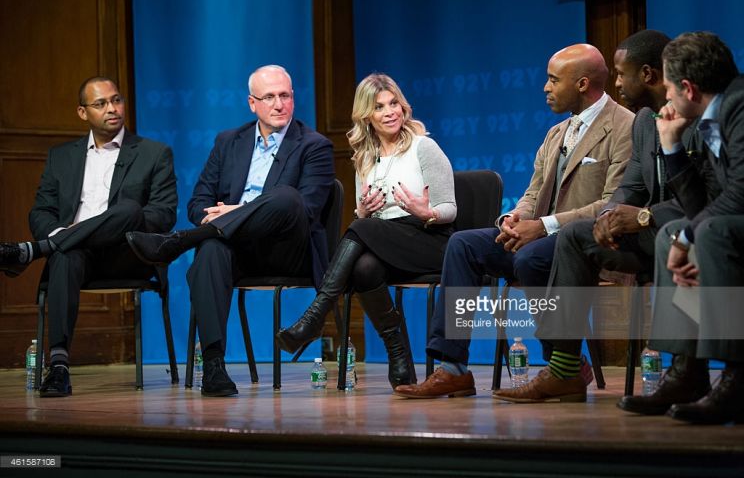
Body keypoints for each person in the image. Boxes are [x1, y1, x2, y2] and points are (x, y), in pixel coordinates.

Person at [394, 43, 634, 399]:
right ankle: (454, 368)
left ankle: (563, 365)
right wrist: (514, 217)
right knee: (464, 245)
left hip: (588, 244)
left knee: (530, 258)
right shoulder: (557, 133)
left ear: (582, 83)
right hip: (540, 238)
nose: (546, 87)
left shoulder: (625, 127)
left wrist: (544, 226)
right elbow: (533, 192)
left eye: (554, 80)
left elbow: (612, 204)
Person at [493, 30, 692, 403]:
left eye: (622, 74)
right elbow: (630, 186)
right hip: (644, 233)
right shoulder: (645, 122)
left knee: (543, 251)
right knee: (575, 237)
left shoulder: (686, 118)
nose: (616, 83)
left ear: (647, 74)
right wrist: (609, 217)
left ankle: (686, 371)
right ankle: (565, 368)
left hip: (681, 230)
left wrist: (644, 216)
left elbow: (698, 200)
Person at [126, 65, 335, 397]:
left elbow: (307, 210)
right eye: (269, 97)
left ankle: (180, 242)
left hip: (286, 250)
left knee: (286, 197)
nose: (279, 104)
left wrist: (236, 211)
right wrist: (227, 220)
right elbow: (198, 204)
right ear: (252, 103)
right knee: (211, 251)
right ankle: (213, 365)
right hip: (236, 248)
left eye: (285, 96)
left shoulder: (314, 145)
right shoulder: (228, 142)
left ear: (293, 98)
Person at [276, 73, 456, 389]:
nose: (390, 112)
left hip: (430, 238)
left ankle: (315, 316)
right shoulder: (365, 157)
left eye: (393, 103)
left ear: (403, 106)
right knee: (364, 267)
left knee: (361, 228)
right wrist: (362, 211)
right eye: (379, 107)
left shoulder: (424, 147)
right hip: (384, 239)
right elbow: (365, 215)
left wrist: (426, 212)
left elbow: (450, 209)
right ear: (366, 116)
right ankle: (399, 356)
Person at [0, 77, 178, 397]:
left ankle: (36, 250)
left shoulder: (154, 153)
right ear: (82, 112)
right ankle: (59, 367)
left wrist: (121, 223)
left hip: (127, 255)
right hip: (77, 257)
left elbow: (163, 214)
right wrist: (63, 235)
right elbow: (41, 211)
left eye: (116, 100)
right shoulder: (61, 156)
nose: (112, 108)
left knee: (129, 209)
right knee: (66, 254)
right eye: (101, 103)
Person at [617, 32, 744, 424]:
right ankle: (687, 372)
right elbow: (701, 206)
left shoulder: (739, 107)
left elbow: (740, 192)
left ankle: (737, 377)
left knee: (707, 233)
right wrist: (671, 146)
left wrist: (690, 235)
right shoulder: (710, 117)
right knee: (670, 233)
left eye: (670, 88)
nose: (667, 96)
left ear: (688, 88)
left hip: (732, 225)